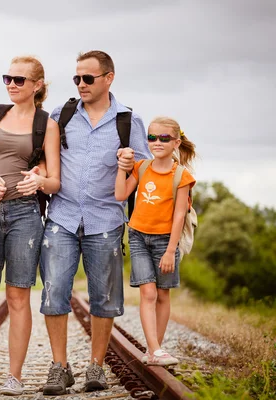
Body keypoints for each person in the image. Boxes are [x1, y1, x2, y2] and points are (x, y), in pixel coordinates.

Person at [39, 50, 152, 395]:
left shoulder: (127, 121)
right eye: (77, 78)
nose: (81, 84)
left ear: (108, 78)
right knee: (54, 292)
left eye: (88, 78)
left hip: (105, 220)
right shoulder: (62, 114)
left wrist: (129, 168)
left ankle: (96, 367)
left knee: (104, 297)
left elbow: (146, 167)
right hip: (62, 216)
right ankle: (60, 367)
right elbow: (46, 157)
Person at [0, 55, 61, 396]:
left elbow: (54, 180)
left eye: (19, 80)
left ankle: (14, 377)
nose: (12, 85)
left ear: (38, 85)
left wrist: (39, 181)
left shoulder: (46, 124)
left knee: (18, 297)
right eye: (8, 78)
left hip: (24, 215)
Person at [115, 117, 196, 366]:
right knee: (147, 293)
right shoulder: (141, 168)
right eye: (152, 137)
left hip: (165, 242)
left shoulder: (182, 176)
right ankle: (156, 350)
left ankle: (154, 350)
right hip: (139, 236)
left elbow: (180, 215)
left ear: (176, 143)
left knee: (162, 295)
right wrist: (121, 167)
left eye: (163, 138)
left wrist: (171, 251)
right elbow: (120, 194)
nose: (156, 142)